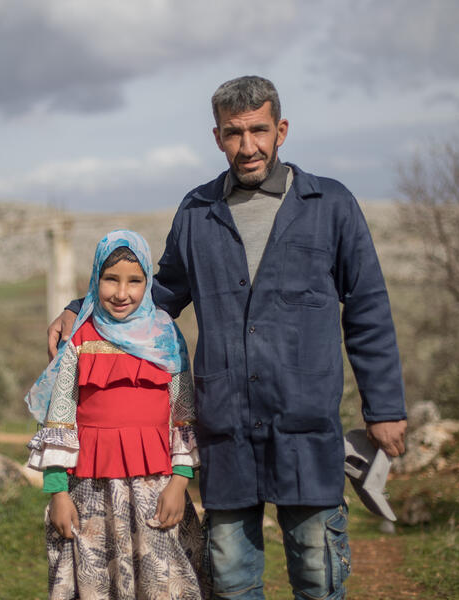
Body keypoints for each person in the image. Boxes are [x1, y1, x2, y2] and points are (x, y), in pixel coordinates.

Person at [48, 76, 407, 600]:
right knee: (233, 583)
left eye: (258, 131)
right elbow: (160, 292)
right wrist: (78, 310)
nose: (248, 146)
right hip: (226, 431)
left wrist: (385, 407)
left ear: (280, 130)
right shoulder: (197, 211)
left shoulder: (331, 204)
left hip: (306, 427)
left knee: (318, 576)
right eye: (234, 133)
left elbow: (369, 307)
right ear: (217, 136)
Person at [26, 230, 209, 600]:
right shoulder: (78, 338)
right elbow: (59, 420)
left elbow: (183, 417)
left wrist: (180, 482)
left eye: (135, 281)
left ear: (148, 284)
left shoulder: (166, 337)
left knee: (161, 584)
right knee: (96, 585)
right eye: (111, 279)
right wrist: (58, 492)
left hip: (155, 491)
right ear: (96, 278)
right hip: (89, 492)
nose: (121, 293)